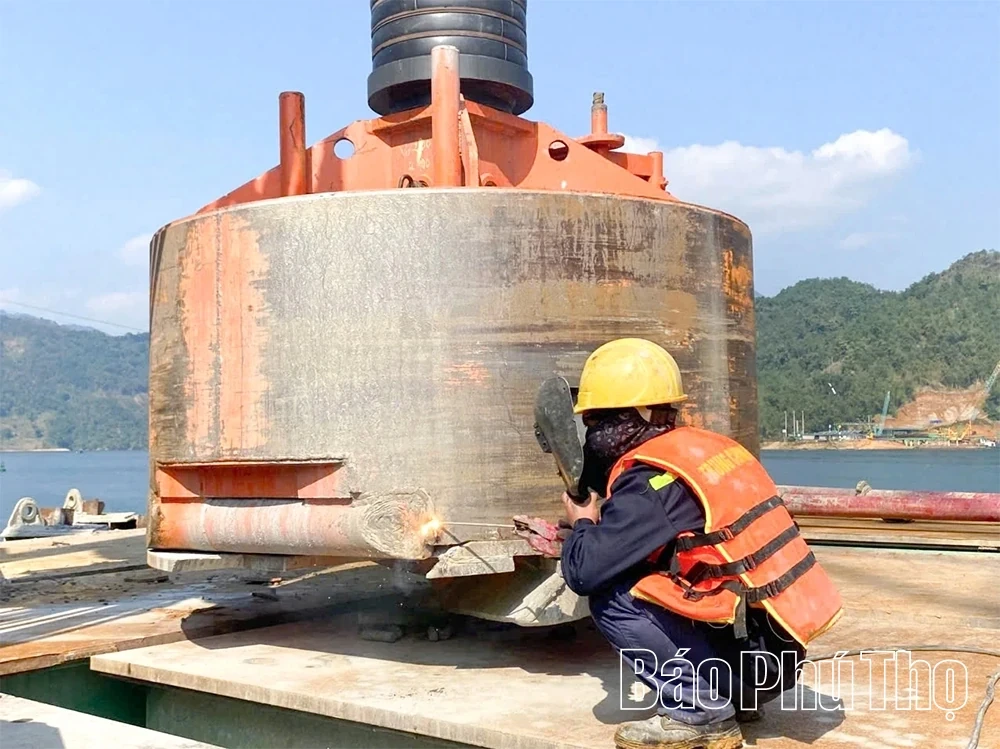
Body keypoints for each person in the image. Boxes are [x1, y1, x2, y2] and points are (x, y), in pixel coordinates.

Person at [559, 338, 843, 749]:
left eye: (600, 422)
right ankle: (729, 696)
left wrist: (582, 525)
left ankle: (701, 713)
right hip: (775, 659)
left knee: (610, 595)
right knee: (651, 571)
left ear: (634, 416)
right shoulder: (704, 450)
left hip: (746, 668)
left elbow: (584, 571)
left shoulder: (652, 480)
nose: (595, 436)